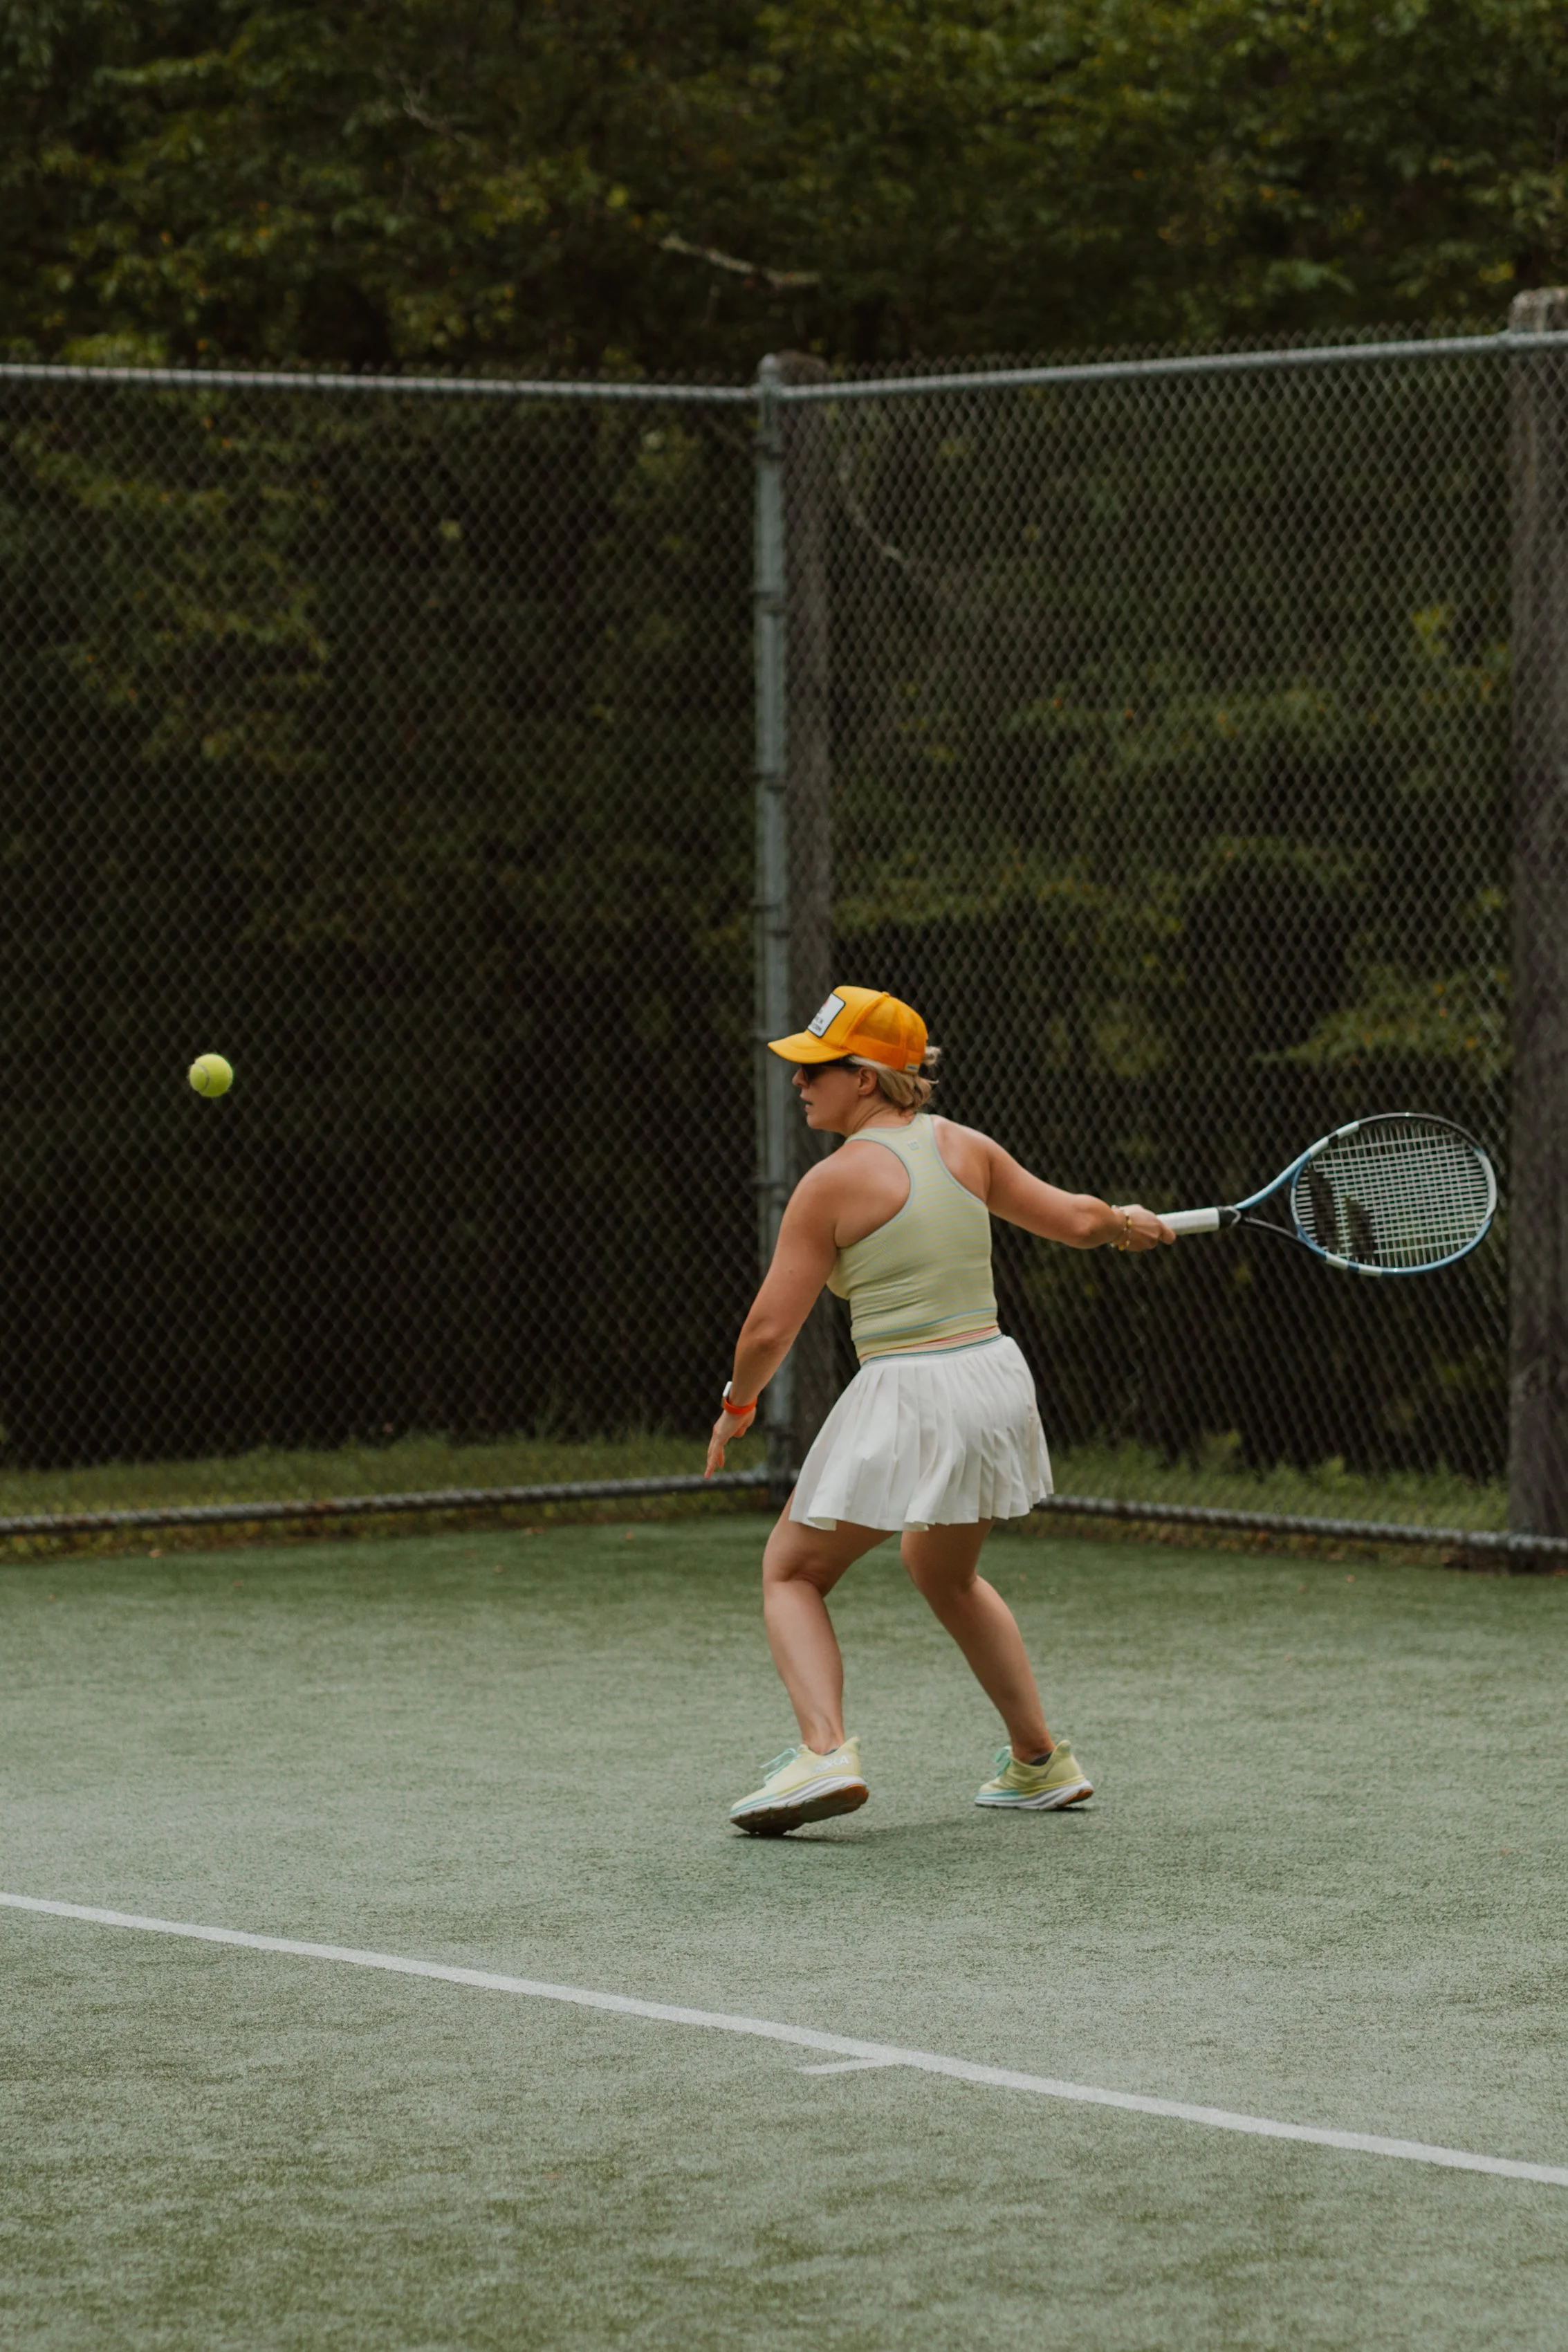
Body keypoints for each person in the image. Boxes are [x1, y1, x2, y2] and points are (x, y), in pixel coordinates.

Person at [706, 984, 1173, 1835]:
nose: (800, 1082)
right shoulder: (966, 1147)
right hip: (993, 1381)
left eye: (818, 1068)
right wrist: (1121, 1221)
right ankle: (1039, 1762)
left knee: (792, 1572)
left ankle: (822, 1753)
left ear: (870, 1077)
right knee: (941, 1569)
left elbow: (769, 1325)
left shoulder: (830, 1182)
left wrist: (737, 1403)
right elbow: (1073, 1219)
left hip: (911, 1387)